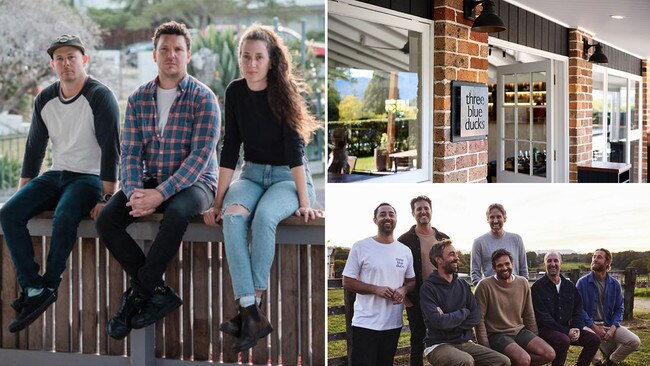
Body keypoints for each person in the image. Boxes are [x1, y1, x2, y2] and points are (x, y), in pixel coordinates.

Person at [95, 21, 220, 340]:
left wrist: (158, 194)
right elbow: (132, 152)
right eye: (164, 49)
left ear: (188, 55)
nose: (171, 55)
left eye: (178, 49)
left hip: (198, 183)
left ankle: (137, 295)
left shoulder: (204, 99)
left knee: (178, 211)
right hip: (150, 181)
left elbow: (199, 159)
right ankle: (158, 291)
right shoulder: (138, 99)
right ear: (154, 55)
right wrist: (136, 192)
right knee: (108, 220)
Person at [202, 24, 322, 353]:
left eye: (258, 57)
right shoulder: (235, 92)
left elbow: (295, 154)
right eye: (246, 57)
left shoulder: (284, 93)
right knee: (233, 216)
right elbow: (229, 149)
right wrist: (217, 202)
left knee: (265, 218)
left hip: (287, 176)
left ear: (271, 60)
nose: (251, 63)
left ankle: (249, 310)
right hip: (252, 174)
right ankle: (253, 312)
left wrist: (304, 200)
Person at [0, 34, 120, 333]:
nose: (66, 63)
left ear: (84, 59)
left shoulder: (99, 95)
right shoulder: (45, 98)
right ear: (53, 64)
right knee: (9, 213)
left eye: (72, 57)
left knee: (65, 215)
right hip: (57, 173)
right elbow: (34, 148)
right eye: (60, 58)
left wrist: (107, 197)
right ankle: (33, 288)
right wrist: (24, 191)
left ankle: (50, 284)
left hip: (89, 177)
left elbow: (110, 148)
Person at [342, 203, 415, 366]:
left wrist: (403, 290)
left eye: (391, 214)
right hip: (365, 323)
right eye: (382, 214)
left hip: (393, 323)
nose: (387, 217)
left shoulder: (405, 251)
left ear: (396, 219)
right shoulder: (361, 246)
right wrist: (376, 289)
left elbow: (411, 282)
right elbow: (347, 281)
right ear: (375, 219)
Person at [420, 240, 510, 366]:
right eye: (451, 254)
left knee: (502, 361)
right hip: (438, 345)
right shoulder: (428, 288)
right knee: (465, 361)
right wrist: (464, 312)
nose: (456, 257)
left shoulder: (463, 285)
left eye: (456, 254)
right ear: (439, 260)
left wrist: (449, 321)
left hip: (464, 342)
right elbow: (438, 321)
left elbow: (475, 316)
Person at [475, 249, 555, 366]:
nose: (505, 268)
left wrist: (535, 336)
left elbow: (529, 314)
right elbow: (479, 319)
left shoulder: (522, 283)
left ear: (512, 264)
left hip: (519, 331)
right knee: (523, 360)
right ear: (494, 268)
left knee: (549, 354)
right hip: (497, 334)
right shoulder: (484, 286)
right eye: (500, 265)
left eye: (507, 264)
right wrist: (486, 349)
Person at [397, 195, 449, 366]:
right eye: (419, 209)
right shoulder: (404, 240)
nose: (423, 211)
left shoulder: (443, 238)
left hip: (442, 299)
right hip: (416, 300)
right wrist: (406, 300)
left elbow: (452, 268)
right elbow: (398, 272)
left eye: (426, 208)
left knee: (445, 338)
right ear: (413, 213)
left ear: (431, 211)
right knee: (417, 340)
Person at [531, 251, 600, 366]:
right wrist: (566, 331)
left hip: (569, 329)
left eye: (555, 260)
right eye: (549, 261)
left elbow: (578, 309)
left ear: (561, 263)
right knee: (563, 340)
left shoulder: (569, 286)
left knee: (594, 340)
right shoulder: (538, 287)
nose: (552, 264)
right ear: (544, 264)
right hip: (546, 330)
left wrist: (576, 327)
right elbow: (542, 317)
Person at [576, 248, 640, 366]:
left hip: (609, 325)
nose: (594, 259)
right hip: (588, 325)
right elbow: (578, 309)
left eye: (599, 257)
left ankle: (610, 362)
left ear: (607, 262)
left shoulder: (614, 284)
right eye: (593, 257)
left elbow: (619, 308)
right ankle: (597, 363)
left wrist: (613, 327)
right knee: (591, 338)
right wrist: (593, 326)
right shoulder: (582, 283)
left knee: (634, 341)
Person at [471, 203, 528, 285]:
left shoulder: (516, 239)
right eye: (492, 217)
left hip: (514, 291)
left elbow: (523, 270)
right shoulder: (479, 242)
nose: (495, 221)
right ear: (488, 220)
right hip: (491, 293)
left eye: (498, 217)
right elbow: (475, 274)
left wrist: (521, 288)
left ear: (504, 218)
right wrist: (484, 291)